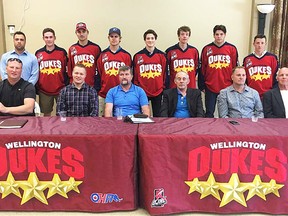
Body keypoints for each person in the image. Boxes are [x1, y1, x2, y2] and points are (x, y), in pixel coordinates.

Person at [198, 25, 239, 117]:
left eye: (221, 34)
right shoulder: (206, 49)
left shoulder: (232, 49)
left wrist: (235, 85)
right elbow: (202, 69)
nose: (219, 36)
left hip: (227, 87)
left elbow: (235, 69)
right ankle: (208, 131)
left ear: (225, 35)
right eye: (217, 34)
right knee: (209, 113)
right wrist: (202, 85)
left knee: (226, 114)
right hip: (210, 86)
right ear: (213, 35)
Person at [96, 27, 132, 116]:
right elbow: (100, 73)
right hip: (104, 93)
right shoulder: (102, 55)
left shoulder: (126, 56)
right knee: (102, 121)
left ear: (120, 39)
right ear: (108, 38)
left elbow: (128, 76)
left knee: (119, 120)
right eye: (111, 36)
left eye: (116, 36)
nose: (114, 38)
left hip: (121, 94)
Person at [133, 29, 167, 117]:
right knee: (143, 116)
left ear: (155, 39)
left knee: (158, 116)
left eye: (152, 38)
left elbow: (164, 73)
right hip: (143, 91)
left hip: (158, 91)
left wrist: (163, 88)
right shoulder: (137, 56)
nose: (150, 40)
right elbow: (135, 74)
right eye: (148, 38)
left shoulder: (162, 55)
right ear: (144, 40)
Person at [35, 28, 68, 116]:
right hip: (44, 90)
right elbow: (36, 71)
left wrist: (66, 85)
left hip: (60, 89)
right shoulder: (38, 53)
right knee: (46, 114)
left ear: (54, 38)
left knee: (63, 114)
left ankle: (62, 130)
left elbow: (66, 70)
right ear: (43, 38)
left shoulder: (62, 52)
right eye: (46, 37)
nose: (49, 39)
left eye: (51, 37)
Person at [67, 22, 101, 88]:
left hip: (92, 86)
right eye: (79, 32)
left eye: (83, 31)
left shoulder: (96, 48)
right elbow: (70, 69)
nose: (81, 34)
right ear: (76, 33)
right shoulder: (72, 49)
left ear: (87, 32)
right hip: (76, 86)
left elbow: (99, 69)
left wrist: (97, 84)